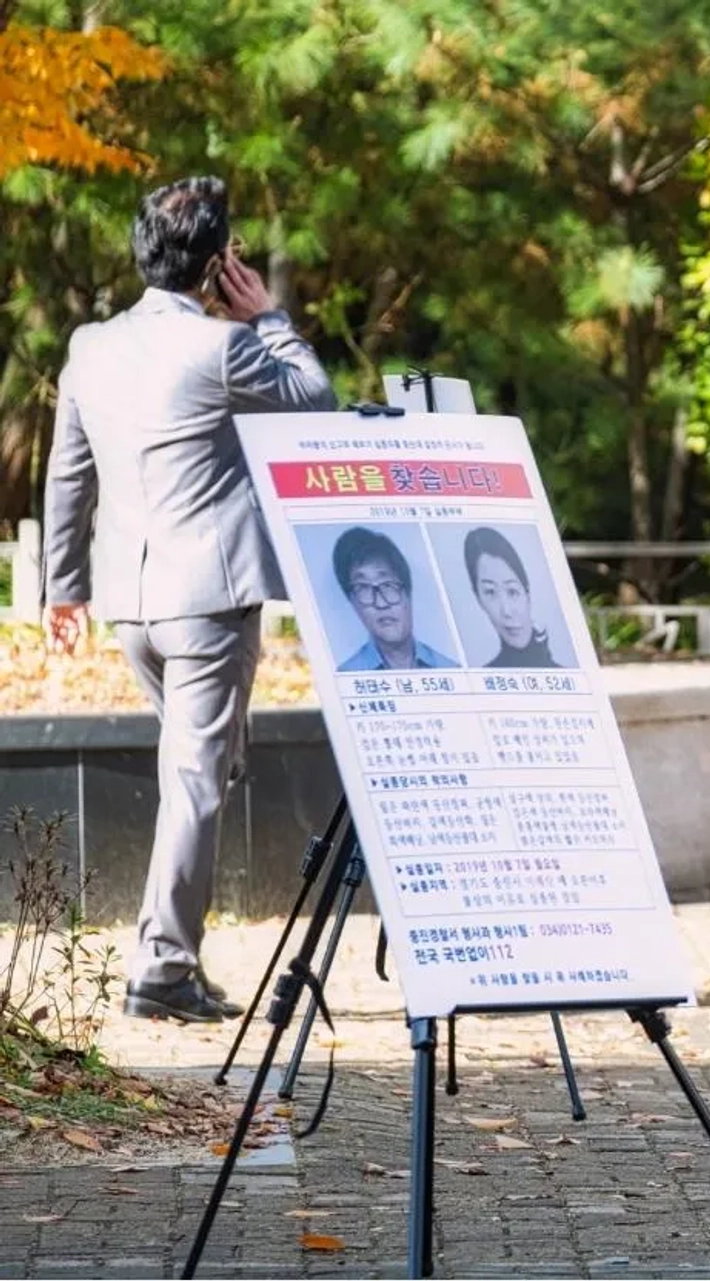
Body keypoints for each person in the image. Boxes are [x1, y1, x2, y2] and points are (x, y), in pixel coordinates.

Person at [40, 176, 336, 1024]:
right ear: (216, 266)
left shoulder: (90, 345)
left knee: (206, 763)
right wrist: (268, 318)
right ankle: (162, 967)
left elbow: (68, 477)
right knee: (197, 779)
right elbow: (311, 398)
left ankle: (173, 956)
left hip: (132, 605)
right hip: (207, 603)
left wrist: (64, 589)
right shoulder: (221, 346)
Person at [333, 527, 459, 671]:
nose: (380, 603)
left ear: (408, 593)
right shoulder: (345, 677)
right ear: (353, 602)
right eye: (364, 588)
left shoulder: (451, 669)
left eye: (387, 585)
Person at [462, 527, 559, 667]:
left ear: (527, 593)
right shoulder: (482, 678)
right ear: (478, 598)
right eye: (490, 592)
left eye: (512, 592)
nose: (506, 611)